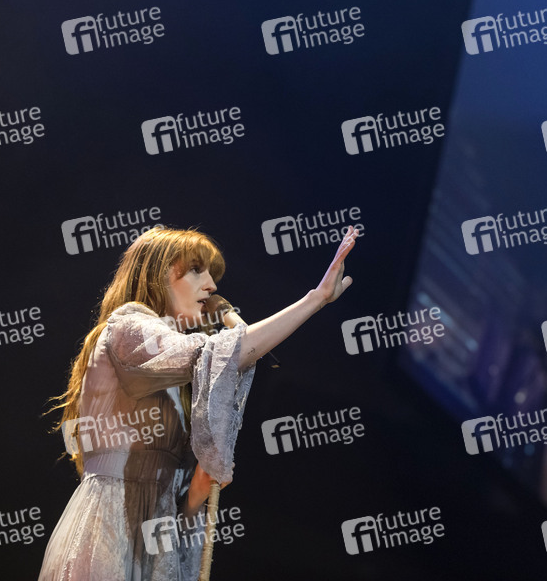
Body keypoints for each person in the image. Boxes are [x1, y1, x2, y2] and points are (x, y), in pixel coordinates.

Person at [39, 225, 358, 581]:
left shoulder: (175, 380)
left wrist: (195, 494)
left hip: (154, 543)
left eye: (211, 274)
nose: (211, 286)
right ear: (156, 274)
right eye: (195, 270)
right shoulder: (127, 329)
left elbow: (179, 505)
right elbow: (221, 353)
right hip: (108, 531)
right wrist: (315, 299)